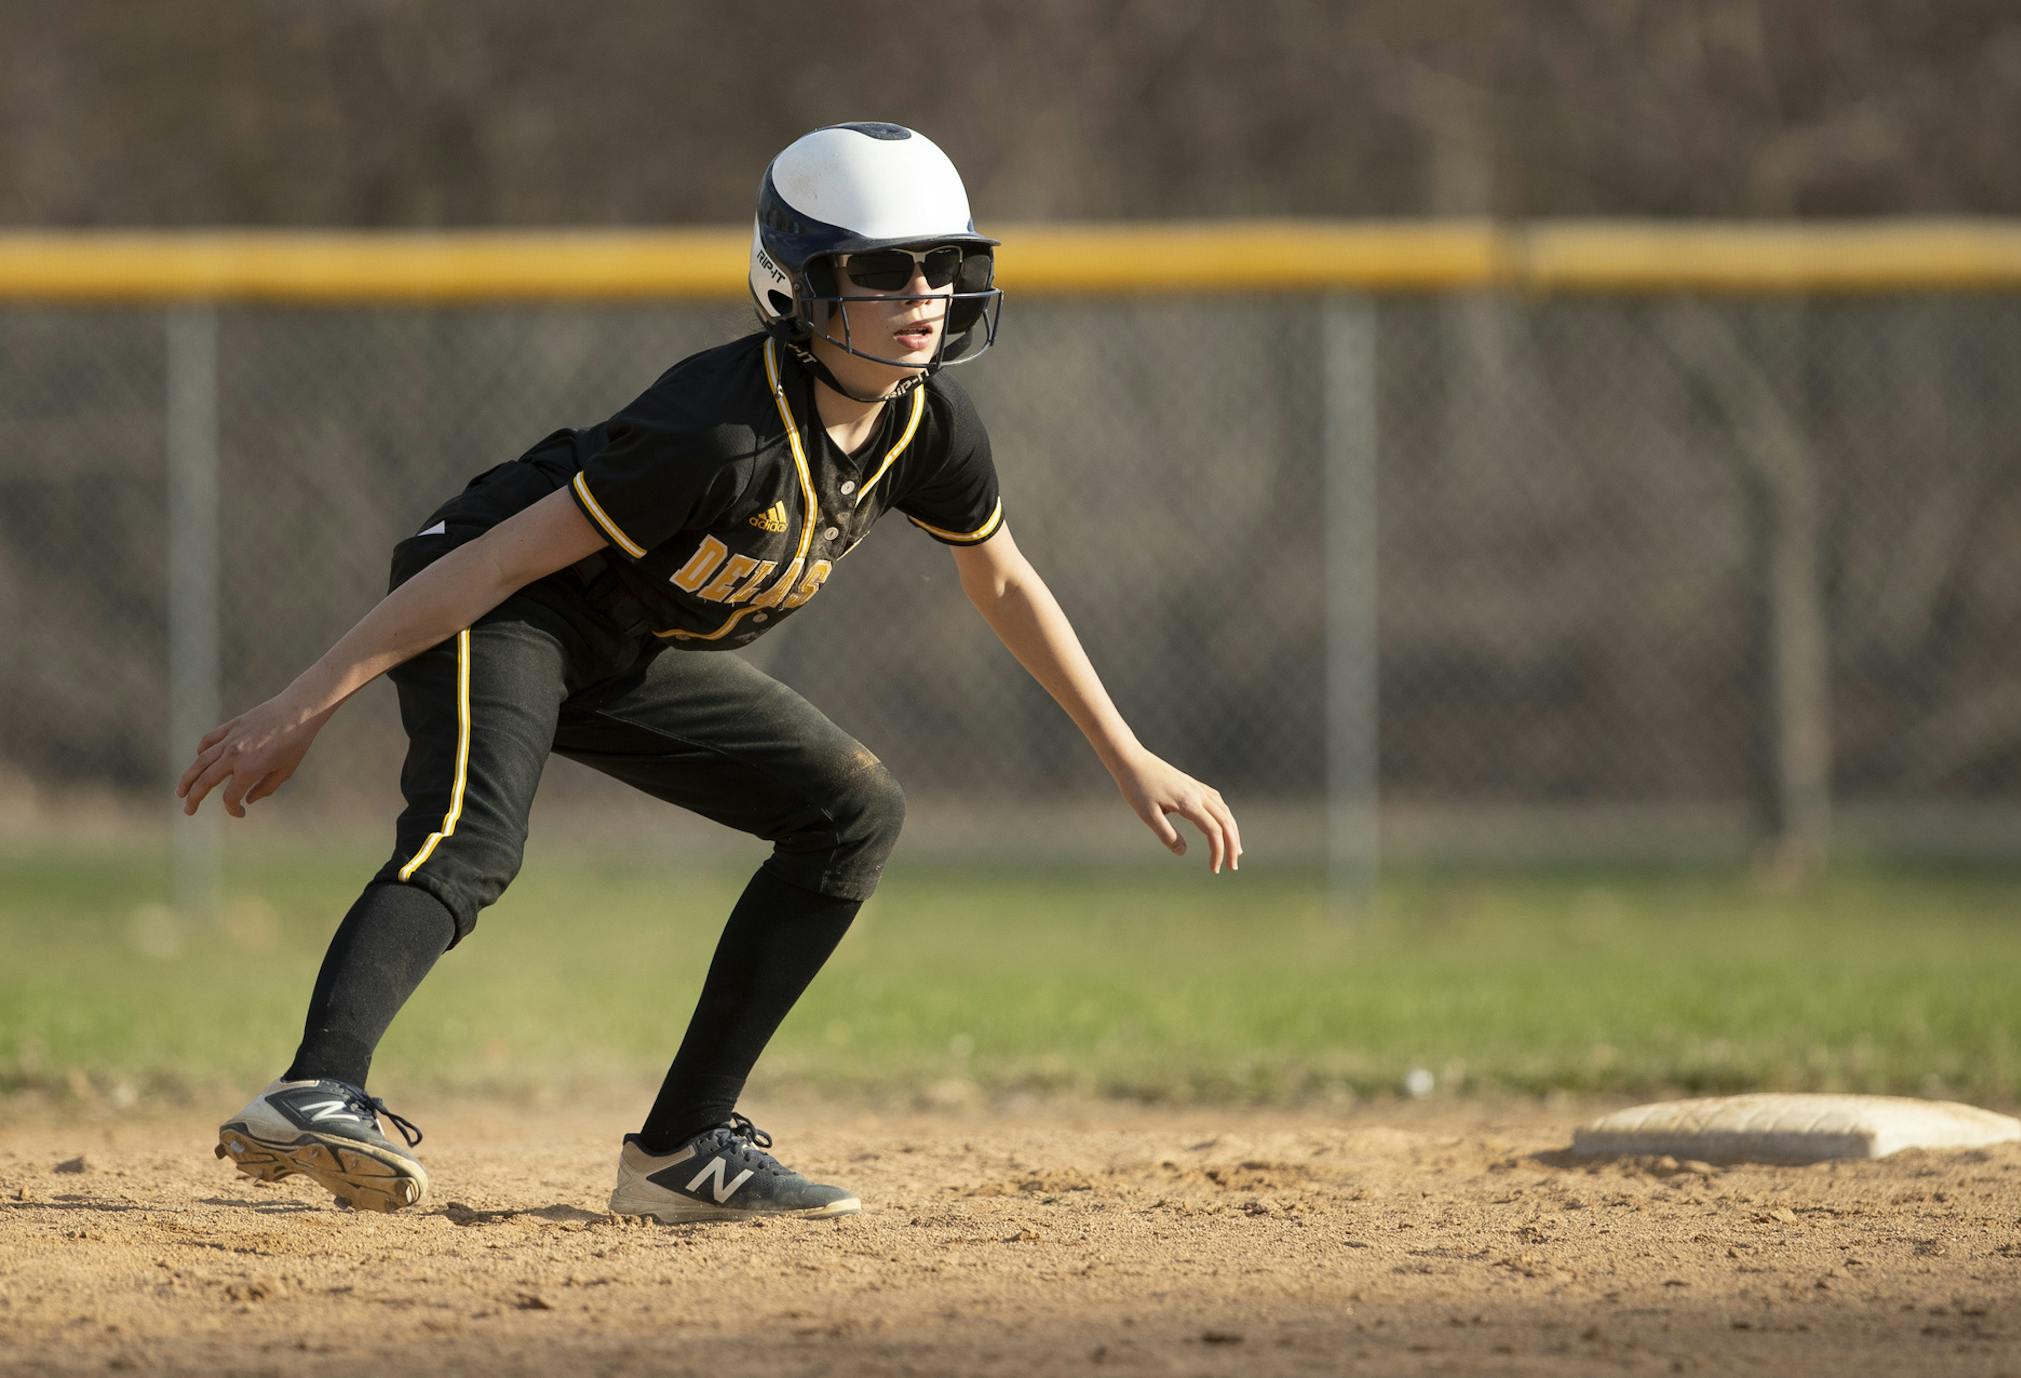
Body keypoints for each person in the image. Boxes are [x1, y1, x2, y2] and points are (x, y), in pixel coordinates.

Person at [176, 123, 1241, 1222]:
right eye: (880, 267)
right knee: (471, 839)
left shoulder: (927, 424)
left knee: (852, 809)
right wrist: (304, 701)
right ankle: (313, 1089)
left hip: (624, 643)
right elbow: (497, 561)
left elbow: (1004, 582)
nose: (923, 293)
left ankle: (680, 1149)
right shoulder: (721, 434)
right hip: (501, 610)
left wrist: (1127, 754)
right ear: (798, 287)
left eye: (947, 265)